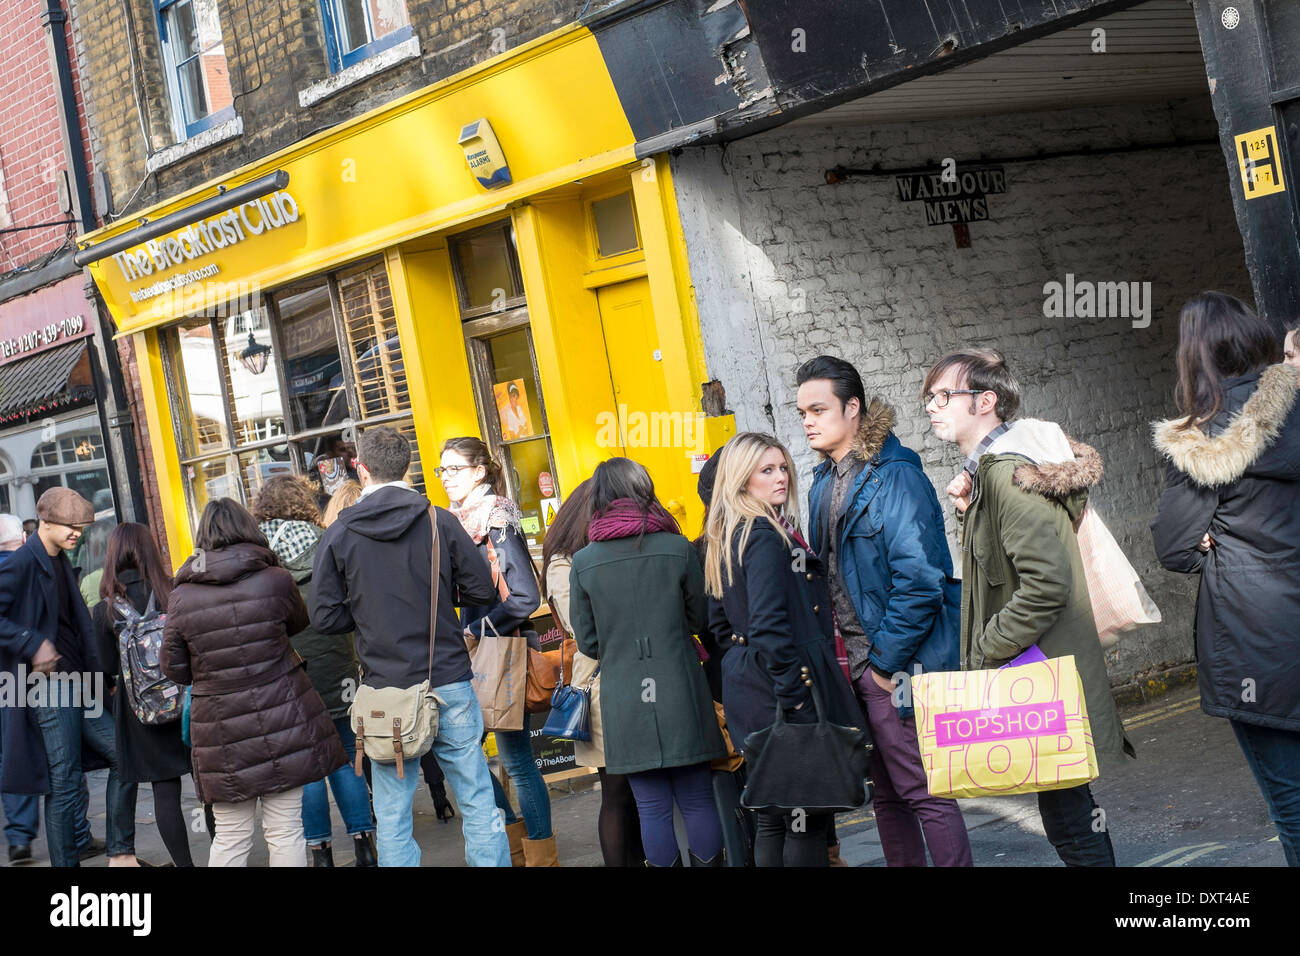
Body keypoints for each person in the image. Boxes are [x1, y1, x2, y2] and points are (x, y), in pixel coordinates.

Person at [923, 348, 1134, 866]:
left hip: (1034, 668)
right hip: (1036, 669)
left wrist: (987, 644)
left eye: (944, 396)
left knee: (1072, 818)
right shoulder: (991, 475)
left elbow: (1046, 584)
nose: (932, 406)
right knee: (1067, 812)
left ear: (986, 402)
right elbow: (1001, 566)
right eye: (929, 397)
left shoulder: (1007, 478)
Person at [797, 355, 973, 867]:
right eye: (801, 411)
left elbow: (920, 582)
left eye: (818, 409)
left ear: (853, 408)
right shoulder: (822, 482)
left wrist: (881, 667)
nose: (807, 420)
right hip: (849, 667)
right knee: (887, 796)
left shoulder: (894, 477)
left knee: (923, 791)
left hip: (890, 666)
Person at [310, 426, 509, 867]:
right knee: (477, 798)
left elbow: (322, 616)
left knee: (393, 814)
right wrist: (438, 598)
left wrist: (365, 619)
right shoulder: (440, 521)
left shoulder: (340, 533)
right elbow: (482, 591)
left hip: (386, 692)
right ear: (408, 468)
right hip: (449, 679)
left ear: (361, 470)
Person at [1151, 292, 1300, 866]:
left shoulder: (1204, 438)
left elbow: (1176, 548)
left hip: (1258, 651)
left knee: (1292, 803)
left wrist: (1213, 537)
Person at [704, 432, 863, 867]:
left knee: (775, 816)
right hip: (784, 687)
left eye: (782, 467)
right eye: (766, 470)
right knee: (806, 817)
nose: (781, 477)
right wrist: (794, 696)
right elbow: (770, 625)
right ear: (741, 479)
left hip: (748, 686)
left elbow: (721, 624)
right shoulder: (762, 534)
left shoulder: (726, 533)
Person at [162, 498, 346, 867]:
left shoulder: (182, 595)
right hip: (284, 715)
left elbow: (173, 667)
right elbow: (298, 624)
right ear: (248, 528)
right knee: (286, 831)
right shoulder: (276, 579)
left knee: (231, 836)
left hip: (220, 729)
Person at [568, 457, 727, 867]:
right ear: (645, 491)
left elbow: (587, 642)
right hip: (680, 688)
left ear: (598, 499)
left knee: (651, 806)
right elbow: (700, 619)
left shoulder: (584, 563)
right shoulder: (677, 548)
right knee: (696, 799)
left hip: (624, 698)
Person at [438, 436, 556, 866]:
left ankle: (541, 853)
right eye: (442, 470)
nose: (447, 478)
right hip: (472, 655)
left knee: (516, 759)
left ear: (479, 472)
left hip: (500, 651)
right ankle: (516, 846)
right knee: (463, 754)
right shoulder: (453, 521)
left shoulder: (497, 517)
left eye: (455, 469)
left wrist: (478, 628)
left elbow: (525, 596)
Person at [0, 488, 133, 867]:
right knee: (64, 780)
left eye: (81, 526)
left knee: (122, 755)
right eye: (70, 526)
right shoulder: (21, 562)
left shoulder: (59, 560)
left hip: (80, 683)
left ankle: (120, 852)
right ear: (45, 522)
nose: (77, 532)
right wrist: (32, 643)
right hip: (47, 686)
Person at [253, 476, 376, 868]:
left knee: (305, 765)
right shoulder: (329, 541)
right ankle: (363, 845)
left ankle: (320, 853)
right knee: (345, 757)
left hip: (288, 671)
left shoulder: (256, 553)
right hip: (337, 662)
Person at [541, 478, 645, 867]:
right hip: (598, 686)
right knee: (616, 791)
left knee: (640, 792)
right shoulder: (563, 564)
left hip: (631, 681)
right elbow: (583, 629)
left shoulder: (604, 553)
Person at [91, 523, 193, 867]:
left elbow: (106, 667)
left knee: (166, 793)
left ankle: (185, 865)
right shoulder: (174, 593)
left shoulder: (105, 610)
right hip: (188, 701)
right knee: (208, 789)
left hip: (141, 713)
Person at [0, 514, 39, 863]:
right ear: (22, 540)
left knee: (8, 752)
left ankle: (19, 835)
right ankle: (74, 831)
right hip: (25, 676)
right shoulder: (25, 571)